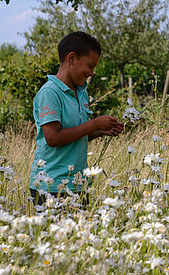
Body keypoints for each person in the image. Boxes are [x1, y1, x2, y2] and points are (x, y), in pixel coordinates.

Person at [29, 31, 124, 206]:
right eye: (90, 66)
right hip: (51, 186)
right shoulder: (50, 92)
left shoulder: (81, 93)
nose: (92, 72)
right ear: (71, 58)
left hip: (78, 184)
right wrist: (94, 123)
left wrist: (101, 131)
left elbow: (76, 134)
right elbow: (53, 138)